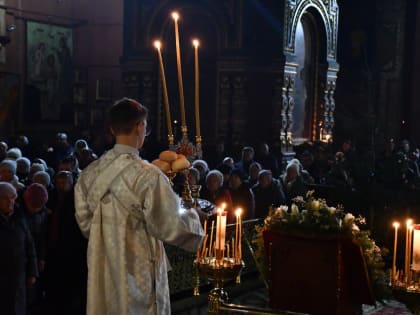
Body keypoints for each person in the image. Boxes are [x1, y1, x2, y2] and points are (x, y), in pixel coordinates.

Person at [74, 98, 204, 315]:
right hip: (139, 269)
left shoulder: (89, 173)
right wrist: (196, 217)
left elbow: (85, 223)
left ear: (112, 128)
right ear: (139, 126)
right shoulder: (148, 175)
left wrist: (107, 237)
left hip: (103, 266)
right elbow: (170, 225)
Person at [0, 182, 38, 315]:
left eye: (13, 197)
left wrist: (33, 271)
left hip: (18, 275)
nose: (11, 201)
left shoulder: (20, 216)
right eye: (6, 198)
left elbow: (29, 244)